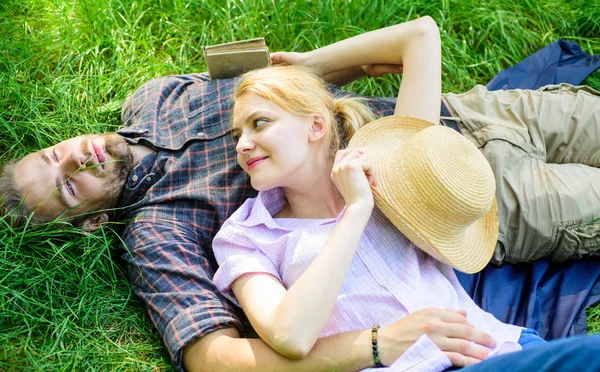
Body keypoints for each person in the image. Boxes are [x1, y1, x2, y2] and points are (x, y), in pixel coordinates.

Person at [1, 15, 600, 372]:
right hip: (474, 204)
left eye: (56, 155)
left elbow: (285, 85)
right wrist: (373, 345)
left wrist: (314, 66)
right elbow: (219, 359)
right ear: (89, 222)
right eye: (68, 185)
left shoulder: (155, 95)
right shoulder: (160, 233)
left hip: (461, 114)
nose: (77, 157)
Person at [210, 16, 600, 370]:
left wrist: (309, 67)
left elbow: (420, 35)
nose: (242, 144)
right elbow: (290, 335)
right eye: (237, 134)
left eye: (259, 123)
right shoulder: (245, 236)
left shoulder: (390, 166)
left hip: (503, 348)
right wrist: (357, 210)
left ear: (316, 126)